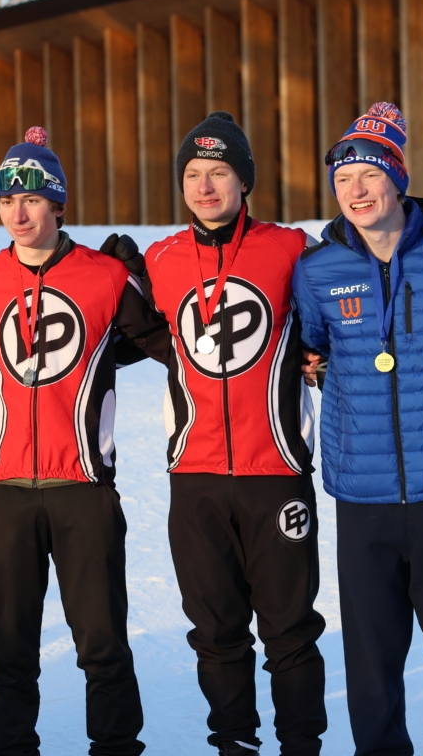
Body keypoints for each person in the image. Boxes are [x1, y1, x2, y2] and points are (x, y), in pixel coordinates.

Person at [0, 127, 169, 756]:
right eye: (7, 202)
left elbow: (174, 349)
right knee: (11, 652)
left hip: (83, 492)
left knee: (101, 644)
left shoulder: (104, 276)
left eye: (33, 200)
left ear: (59, 205)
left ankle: (117, 747)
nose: (19, 214)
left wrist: (301, 354)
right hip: (5, 494)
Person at [292, 102, 423, 756]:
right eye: (342, 179)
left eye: (368, 175)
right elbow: (310, 348)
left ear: (398, 177)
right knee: (372, 676)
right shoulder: (318, 270)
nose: (354, 191)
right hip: (362, 497)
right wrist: (315, 367)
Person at [143, 111, 326, 756]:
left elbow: (348, 302)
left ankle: (302, 744)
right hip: (194, 479)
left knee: (290, 629)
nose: (205, 187)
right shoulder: (160, 260)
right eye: (193, 174)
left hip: (275, 471)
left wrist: (320, 355)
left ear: (244, 181)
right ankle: (234, 745)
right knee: (216, 630)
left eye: (219, 172)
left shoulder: (292, 248)